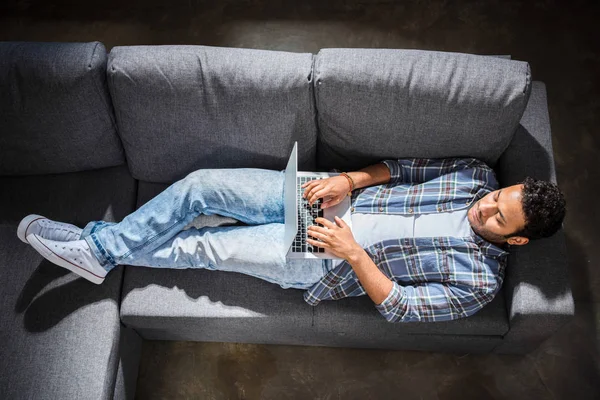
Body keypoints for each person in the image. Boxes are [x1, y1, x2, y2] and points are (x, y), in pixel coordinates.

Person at [18, 158, 566, 322]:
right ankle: (103, 250)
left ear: (515, 242)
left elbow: (401, 307)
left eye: (499, 219)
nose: (487, 205)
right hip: (319, 196)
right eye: (501, 195)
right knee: (204, 187)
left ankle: (97, 247)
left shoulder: (480, 283)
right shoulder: (474, 176)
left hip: (323, 262)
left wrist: (352, 253)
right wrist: (348, 180)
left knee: (202, 250)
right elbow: (403, 168)